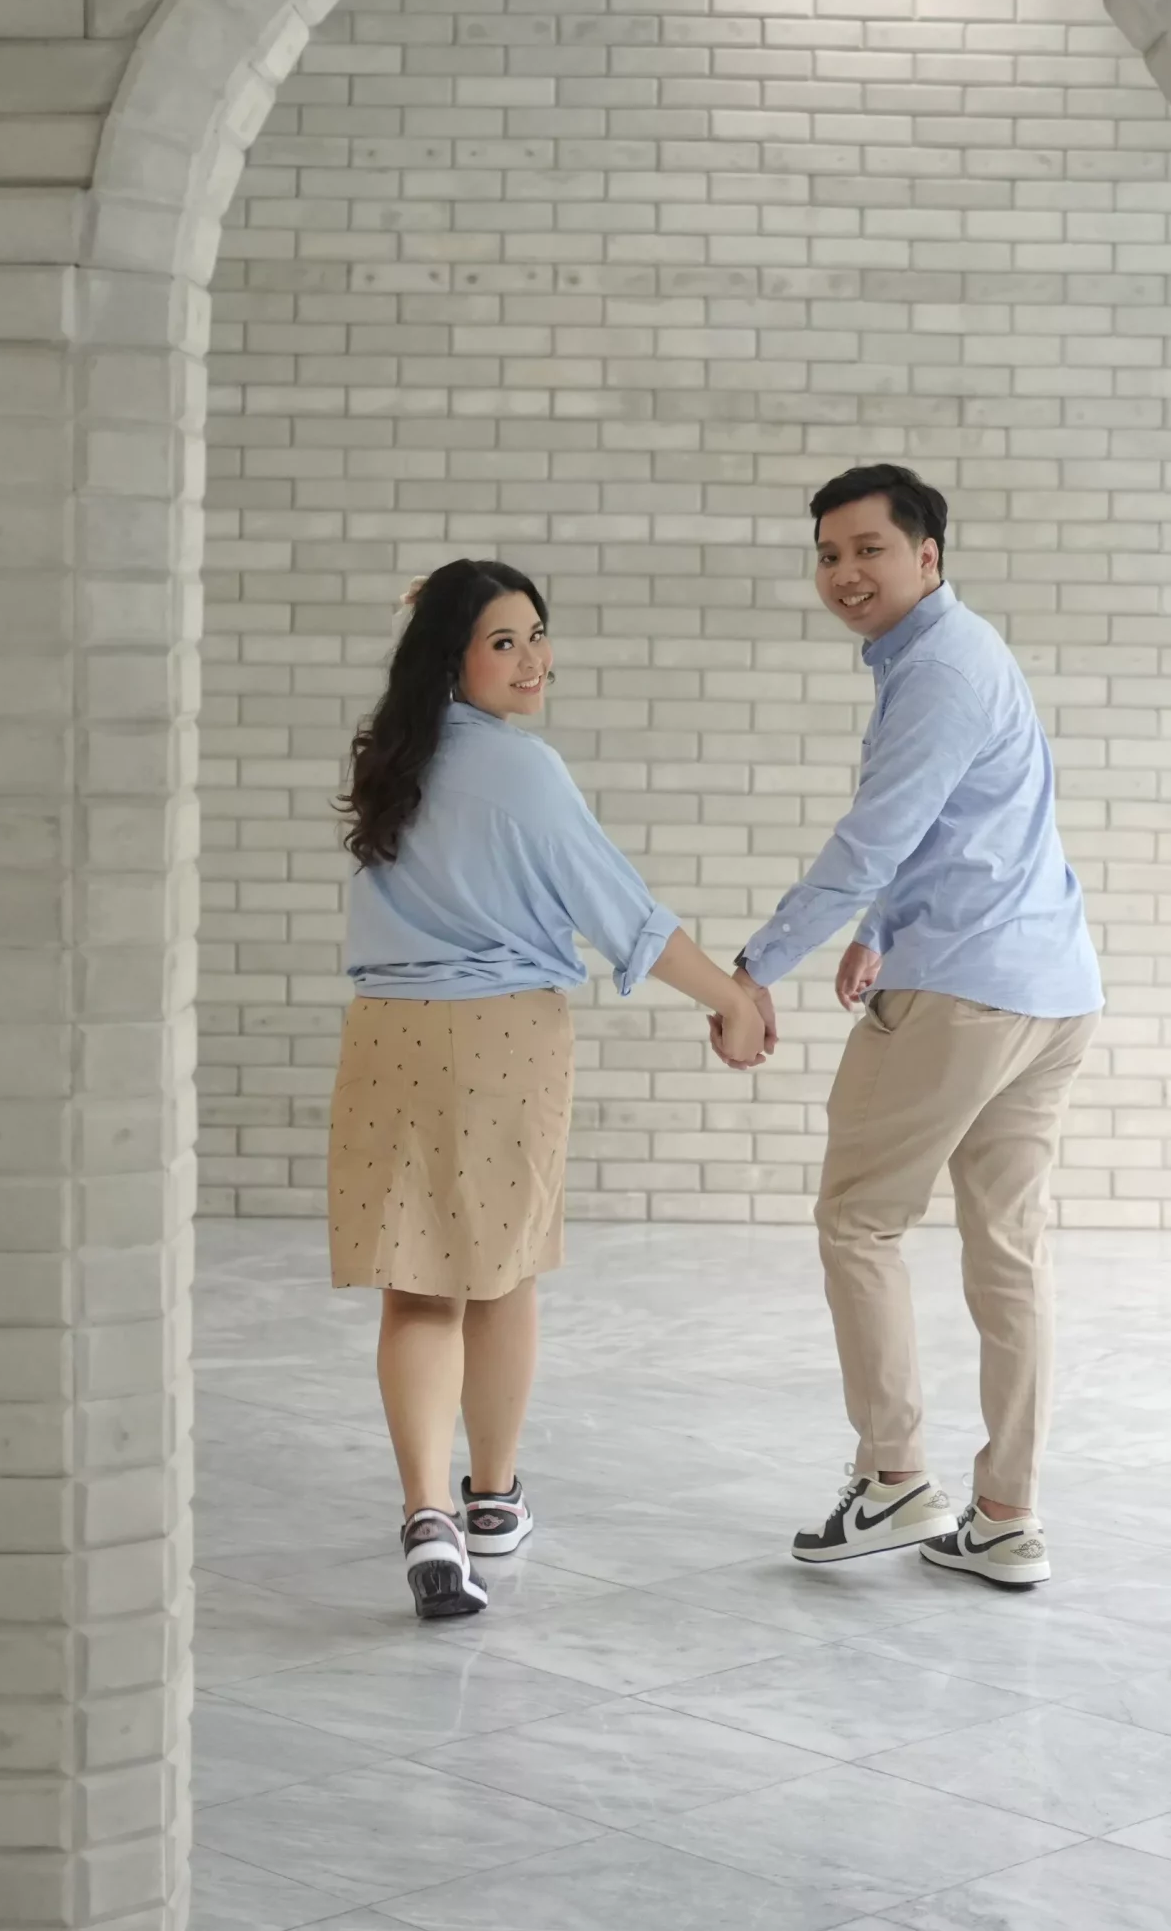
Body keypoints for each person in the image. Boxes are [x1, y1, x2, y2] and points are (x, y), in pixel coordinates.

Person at [331, 558, 767, 1621]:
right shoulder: (522, 771)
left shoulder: (392, 758)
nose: (534, 660)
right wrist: (732, 999)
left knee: (416, 1286)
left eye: (536, 635)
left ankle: (425, 1513)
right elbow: (625, 913)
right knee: (502, 1274)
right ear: (452, 658)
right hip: (500, 1038)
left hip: (385, 1032)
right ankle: (491, 1499)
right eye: (503, 641)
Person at [726, 467, 1102, 1589]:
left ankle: (893, 1476)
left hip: (966, 995)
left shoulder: (934, 670)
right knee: (1009, 1250)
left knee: (859, 1220)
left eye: (868, 550)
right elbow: (960, 824)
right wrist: (880, 930)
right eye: (828, 555)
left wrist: (751, 969)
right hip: (1049, 987)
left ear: (927, 556)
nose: (845, 573)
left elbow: (871, 839)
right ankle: (1005, 1517)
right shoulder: (958, 653)